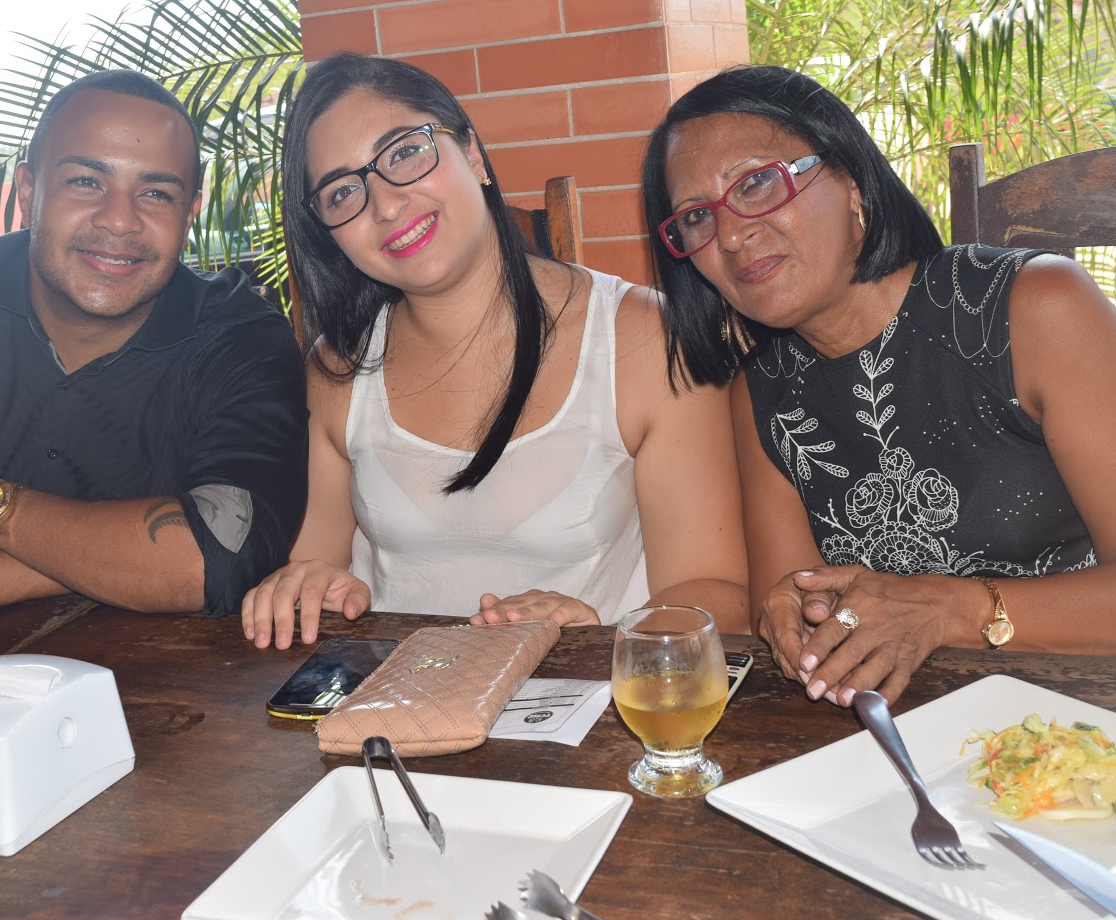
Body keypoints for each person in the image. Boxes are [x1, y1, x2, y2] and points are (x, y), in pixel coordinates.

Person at [640, 64, 1116, 706]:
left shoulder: (1033, 309)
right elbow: (794, 607)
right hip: (924, 732)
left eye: (758, 182)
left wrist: (951, 610)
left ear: (851, 182)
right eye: (696, 218)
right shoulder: (764, 392)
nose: (731, 234)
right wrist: (798, 624)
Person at [241, 53, 748, 649]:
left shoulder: (644, 338)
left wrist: (605, 639)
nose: (385, 205)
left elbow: (716, 591)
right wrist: (305, 587)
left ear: (473, 154)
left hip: (594, 698)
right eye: (342, 191)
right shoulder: (339, 368)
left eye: (404, 152)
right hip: (395, 699)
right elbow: (312, 574)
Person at [0, 69, 308, 616]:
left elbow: (217, 564)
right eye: (86, 182)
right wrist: (128, 565)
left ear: (189, 214)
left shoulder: (240, 337)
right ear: (28, 192)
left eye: (156, 193)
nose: (120, 221)